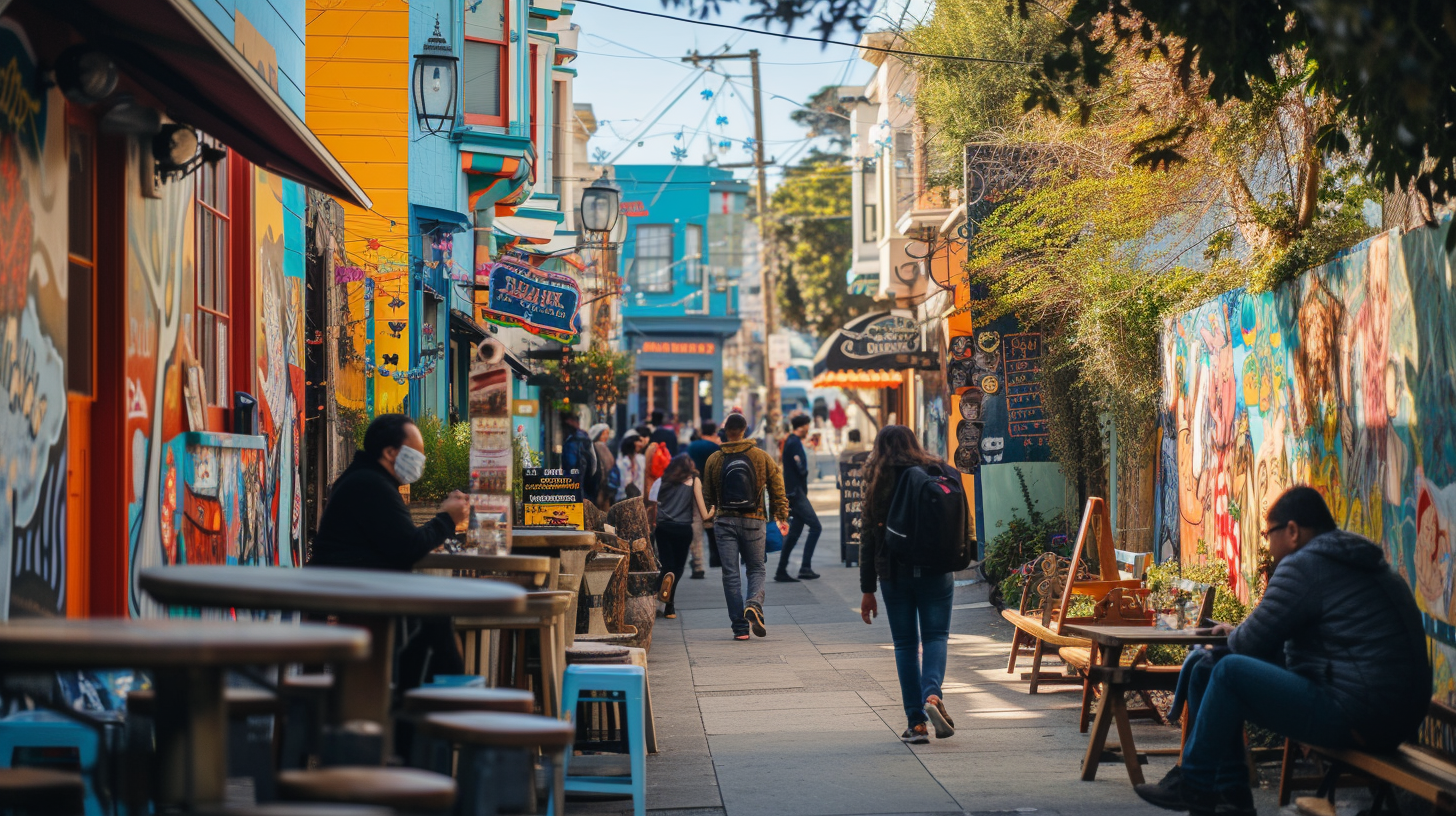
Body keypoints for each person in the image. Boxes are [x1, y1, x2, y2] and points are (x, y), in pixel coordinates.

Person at [1135, 486, 1430, 816]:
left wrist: (1235, 636)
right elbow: (1273, 637)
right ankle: (1232, 795)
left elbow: (1249, 645)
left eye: (1268, 534)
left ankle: (1193, 784)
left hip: (1360, 718)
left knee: (1228, 672)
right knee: (1207, 666)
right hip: (1394, 719)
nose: (1267, 545)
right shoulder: (1355, 561)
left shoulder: (1305, 564)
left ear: (1292, 531)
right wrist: (1237, 635)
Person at [310, 413, 470, 688]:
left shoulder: (367, 480)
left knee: (432, 617)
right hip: (354, 589)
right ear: (390, 452)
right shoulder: (370, 484)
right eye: (417, 453)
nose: (422, 460)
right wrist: (447, 519)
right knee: (436, 610)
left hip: (358, 584)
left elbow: (398, 543)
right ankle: (443, 702)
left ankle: (412, 701)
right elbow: (408, 548)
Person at [857, 425, 957, 745]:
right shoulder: (937, 469)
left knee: (904, 645)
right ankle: (932, 696)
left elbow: (868, 538)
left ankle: (916, 722)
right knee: (936, 637)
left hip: (895, 574)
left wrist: (867, 588)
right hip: (937, 570)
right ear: (914, 443)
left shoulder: (877, 479)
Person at [703, 413, 789, 641]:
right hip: (755, 519)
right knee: (756, 568)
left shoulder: (714, 459)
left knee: (730, 574)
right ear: (745, 429)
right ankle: (753, 604)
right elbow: (777, 486)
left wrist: (710, 518)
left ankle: (740, 629)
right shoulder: (761, 457)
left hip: (724, 522)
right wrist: (781, 514)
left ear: (725, 430)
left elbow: (708, 496)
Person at [650, 454, 714, 619]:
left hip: (663, 528)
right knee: (678, 568)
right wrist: (712, 511)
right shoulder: (694, 481)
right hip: (683, 529)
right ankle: (669, 606)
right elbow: (703, 513)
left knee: (666, 565)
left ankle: (657, 592)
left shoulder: (661, 480)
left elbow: (650, 504)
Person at [775, 413, 822, 582]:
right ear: (802, 426)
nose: (808, 429)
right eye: (807, 426)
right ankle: (805, 567)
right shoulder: (794, 442)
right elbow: (799, 465)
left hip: (793, 492)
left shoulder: (791, 441)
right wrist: (804, 473)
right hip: (796, 493)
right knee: (816, 527)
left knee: (794, 533)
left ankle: (781, 570)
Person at [687, 422, 722, 576]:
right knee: (712, 523)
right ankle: (716, 557)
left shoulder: (692, 446)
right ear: (714, 432)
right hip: (710, 490)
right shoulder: (715, 448)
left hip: (693, 486)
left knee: (696, 526)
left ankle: (698, 564)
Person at [560, 412, 599, 500]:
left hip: (578, 489)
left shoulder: (574, 441)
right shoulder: (585, 439)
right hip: (587, 488)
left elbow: (572, 468)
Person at [588, 423, 616, 509]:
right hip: (603, 486)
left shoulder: (595, 446)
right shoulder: (600, 446)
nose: (606, 436)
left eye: (607, 433)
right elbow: (608, 464)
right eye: (604, 434)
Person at [614, 431, 644, 501]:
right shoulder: (622, 463)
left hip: (639, 499)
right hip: (623, 499)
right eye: (637, 441)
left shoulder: (641, 459)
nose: (640, 444)